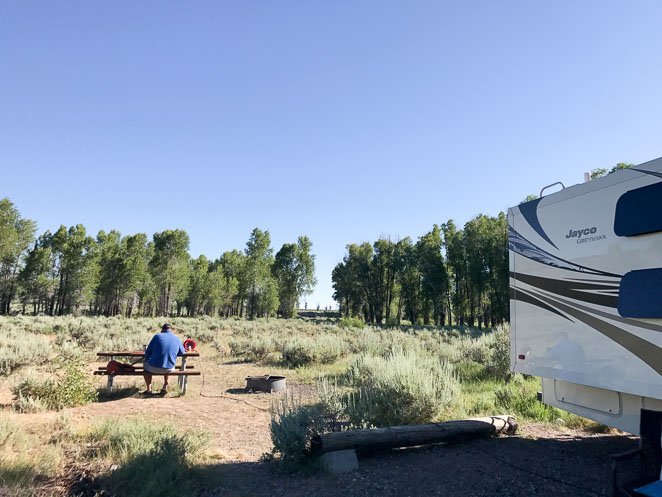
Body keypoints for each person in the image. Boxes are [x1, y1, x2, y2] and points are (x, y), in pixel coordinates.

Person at [142, 323, 186, 396]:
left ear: (162, 330)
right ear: (171, 330)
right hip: (169, 369)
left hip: (153, 368)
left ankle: (149, 389)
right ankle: (165, 386)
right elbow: (182, 352)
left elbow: (147, 352)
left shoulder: (157, 337)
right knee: (168, 362)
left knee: (145, 364)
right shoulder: (176, 338)